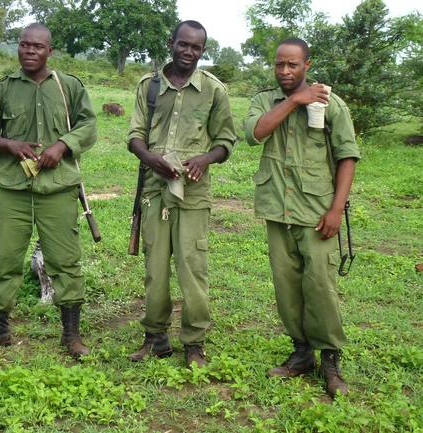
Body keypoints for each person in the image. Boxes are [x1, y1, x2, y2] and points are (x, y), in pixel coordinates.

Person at [0, 23, 97, 358]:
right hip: (14, 190)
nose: (29, 51)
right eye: (24, 45)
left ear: (49, 51)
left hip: (57, 190)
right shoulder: (3, 89)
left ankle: (71, 335)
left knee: (65, 262)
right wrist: (8, 144)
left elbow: (88, 126)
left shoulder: (68, 87)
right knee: (5, 258)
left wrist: (63, 146)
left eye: (37, 47)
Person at [243, 37, 360, 398]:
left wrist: (336, 209)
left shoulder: (331, 104)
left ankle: (330, 361)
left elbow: (347, 157)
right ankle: (301, 353)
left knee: (320, 287)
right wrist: (295, 99)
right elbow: (255, 133)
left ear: (307, 66)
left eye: (293, 65)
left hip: (316, 213)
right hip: (278, 211)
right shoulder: (265, 100)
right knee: (287, 287)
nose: (285, 71)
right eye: (280, 64)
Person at [127, 21, 236, 368]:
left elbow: (226, 141)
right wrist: (150, 159)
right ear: (171, 42)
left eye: (196, 48)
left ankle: (194, 343)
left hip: (193, 193)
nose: (188, 52)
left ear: (203, 51)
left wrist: (205, 158)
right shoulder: (149, 86)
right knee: (155, 269)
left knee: (192, 268)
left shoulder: (214, 90)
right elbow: (134, 136)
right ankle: (156, 337)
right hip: (155, 191)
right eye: (183, 45)